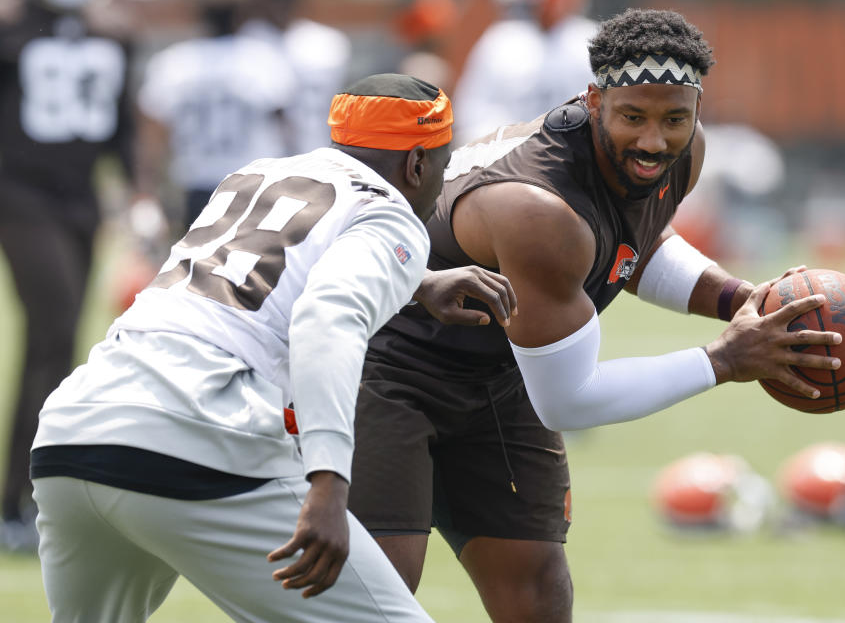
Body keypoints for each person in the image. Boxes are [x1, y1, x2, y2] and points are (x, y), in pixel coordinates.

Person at [347, 9, 844, 622]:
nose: (654, 141)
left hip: (500, 371)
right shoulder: (539, 211)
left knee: (536, 590)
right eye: (632, 117)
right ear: (594, 99)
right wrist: (724, 359)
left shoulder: (681, 156)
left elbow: (632, 246)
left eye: (674, 119)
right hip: (390, 367)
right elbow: (569, 400)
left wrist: (736, 298)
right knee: (378, 591)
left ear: (696, 110)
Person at [29, 74, 516, 622]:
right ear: (418, 164)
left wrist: (414, 282)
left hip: (74, 431)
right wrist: (330, 483)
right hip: (194, 430)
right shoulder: (389, 213)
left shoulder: (256, 174)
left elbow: (245, 278)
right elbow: (325, 321)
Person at [0, 0, 153, 552]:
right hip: (18, 193)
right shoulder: (12, 26)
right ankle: (15, 500)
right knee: (55, 327)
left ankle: (38, 496)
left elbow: (124, 127)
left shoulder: (111, 32)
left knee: (62, 347)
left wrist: (139, 197)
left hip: (81, 201)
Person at [135, 0, 295, 232]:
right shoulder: (263, 59)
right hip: (255, 183)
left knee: (198, 264)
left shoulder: (175, 62)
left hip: (197, 186)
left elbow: (152, 133)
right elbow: (285, 127)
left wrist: (145, 190)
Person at [452, 0, 598, 145]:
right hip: (510, 152)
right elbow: (471, 110)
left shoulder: (588, 40)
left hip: (576, 149)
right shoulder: (500, 40)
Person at [237, 0, 352, 155]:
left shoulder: (326, 41)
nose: (277, 6)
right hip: (264, 153)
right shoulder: (249, 39)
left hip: (319, 145)